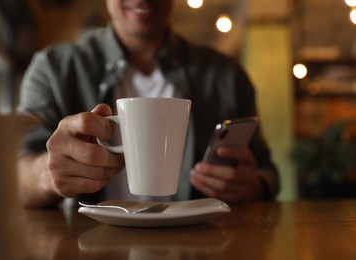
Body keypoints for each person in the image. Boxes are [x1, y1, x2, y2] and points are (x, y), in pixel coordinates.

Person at [17, 0, 279, 208]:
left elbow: (268, 172)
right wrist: (46, 174)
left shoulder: (227, 76)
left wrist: (253, 185)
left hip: (196, 245)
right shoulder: (53, 69)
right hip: (89, 246)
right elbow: (13, 177)